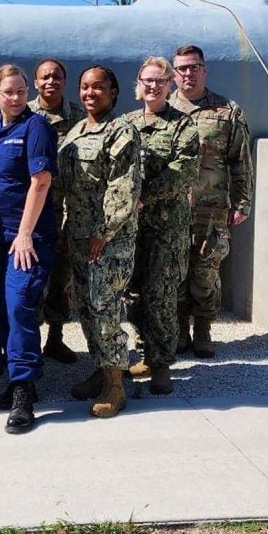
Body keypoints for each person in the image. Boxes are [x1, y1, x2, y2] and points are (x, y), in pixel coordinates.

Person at [0, 64, 59, 434]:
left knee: (20, 305)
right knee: (1, 310)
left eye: (21, 91)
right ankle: (15, 378)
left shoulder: (36, 127)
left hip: (25, 239)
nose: (15, 97)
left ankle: (25, 390)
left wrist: (24, 234)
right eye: (8, 92)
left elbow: (40, 181)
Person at [57, 66, 141, 418]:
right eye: (86, 87)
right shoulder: (76, 130)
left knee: (105, 308)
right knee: (87, 310)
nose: (91, 93)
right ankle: (102, 366)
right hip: (77, 236)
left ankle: (115, 385)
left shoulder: (121, 132)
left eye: (99, 87)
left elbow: (124, 188)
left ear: (114, 92)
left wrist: (102, 233)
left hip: (106, 240)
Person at [121, 57, 199, 395]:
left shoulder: (183, 125)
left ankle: (162, 363)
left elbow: (184, 170)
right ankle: (146, 352)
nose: (153, 86)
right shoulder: (124, 124)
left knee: (162, 296)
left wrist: (144, 197)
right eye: (148, 80)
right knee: (134, 294)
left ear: (170, 86)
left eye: (160, 81)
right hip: (130, 228)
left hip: (166, 229)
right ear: (137, 84)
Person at [169, 44, 253, 358]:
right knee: (174, 272)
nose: (188, 73)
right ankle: (177, 331)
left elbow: (240, 161)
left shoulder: (227, 111)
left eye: (194, 67)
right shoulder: (163, 110)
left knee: (206, 273)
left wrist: (242, 203)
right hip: (172, 210)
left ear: (204, 70)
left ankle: (203, 330)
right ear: (173, 73)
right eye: (182, 68)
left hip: (212, 211)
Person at [27, 58, 86, 365]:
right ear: (36, 83)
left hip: (70, 213)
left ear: (65, 81)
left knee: (63, 279)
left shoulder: (79, 116)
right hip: (36, 214)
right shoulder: (25, 115)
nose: (51, 81)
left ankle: (56, 338)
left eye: (57, 77)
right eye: (44, 77)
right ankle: (31, 343)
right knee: (34, 278)